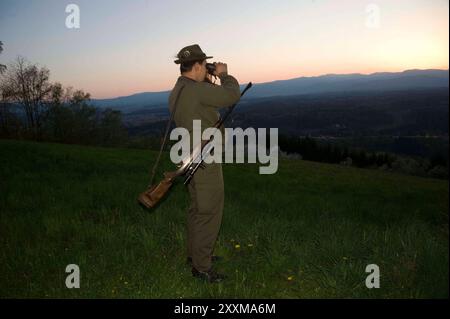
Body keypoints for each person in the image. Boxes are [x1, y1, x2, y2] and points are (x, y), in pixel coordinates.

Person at [168, 44, 240, 283]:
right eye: (204, 66)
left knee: (197, 208)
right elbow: (231, 95)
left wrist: (208, 79)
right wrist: (224, 75)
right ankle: (202, 267)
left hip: (188, 155)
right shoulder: (197, 90)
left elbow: (203, 105)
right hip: (204, 158)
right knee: (209, 211)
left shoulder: (179, 89)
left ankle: (196, 255)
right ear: (198, 65)